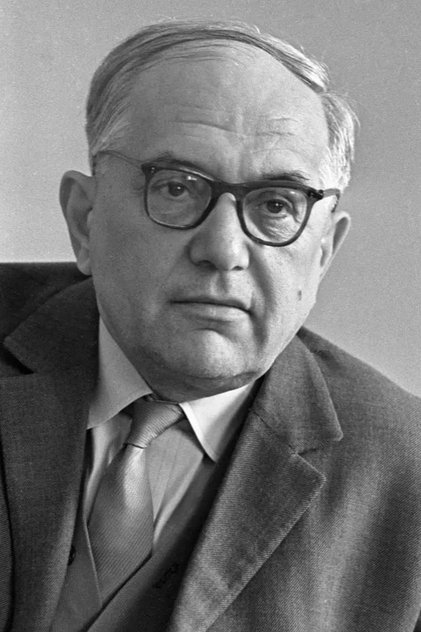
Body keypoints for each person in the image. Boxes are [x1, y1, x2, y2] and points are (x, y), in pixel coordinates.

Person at [1, 19, 420, 632]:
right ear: (85, 220)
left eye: (276, 204)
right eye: (176, 188)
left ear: (323, 253)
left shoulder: (406, 479)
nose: (222, 249)